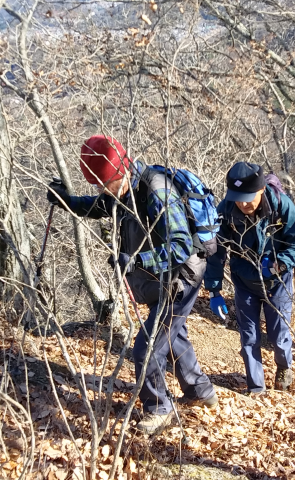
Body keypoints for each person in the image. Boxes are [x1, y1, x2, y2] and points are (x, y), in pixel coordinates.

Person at [46, 135, 217, 435]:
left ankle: (160, 410)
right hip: (159, 278)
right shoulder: (125, 190)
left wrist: (136, 261)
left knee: (147, 347)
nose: (102, 191)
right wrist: (67, 201)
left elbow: (180, 246)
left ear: (119, 172)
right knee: (172, 337)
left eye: (104, 183)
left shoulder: (156, 190)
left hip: (181, 277)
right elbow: (99, 206)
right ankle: (200, 391)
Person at [205, 163, 295, 394]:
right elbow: (216, 252)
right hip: (244, 281)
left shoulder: (281, 206)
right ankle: (256, 386)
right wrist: (214, 291)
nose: (243, 203)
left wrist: (280, 263)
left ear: (261, 190)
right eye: (238, 197)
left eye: (248, 197)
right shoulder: (226, 210)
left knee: (278, 333)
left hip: (278, 282)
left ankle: (283, 367)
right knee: (249, 335)